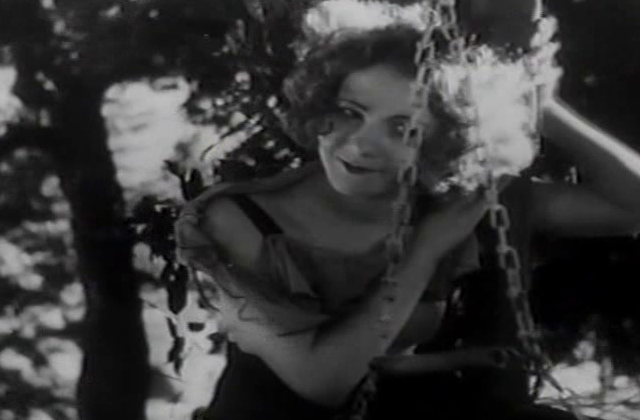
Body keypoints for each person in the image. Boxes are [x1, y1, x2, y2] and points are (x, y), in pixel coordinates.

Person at [174, 1, 640, 419]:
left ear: (443, 143)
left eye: (403, 129)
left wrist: (542, 106)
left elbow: (629, 206)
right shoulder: (230, 220)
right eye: (351, 111)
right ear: (321, 102)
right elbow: (322, 383)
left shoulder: (452, 200)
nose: (361, 144)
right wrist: (426, 249)